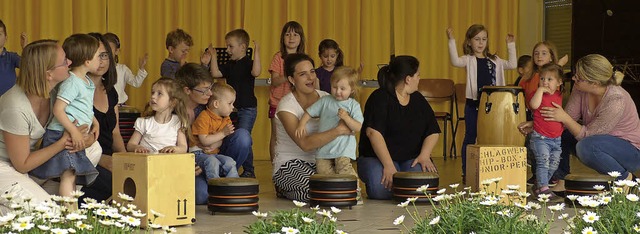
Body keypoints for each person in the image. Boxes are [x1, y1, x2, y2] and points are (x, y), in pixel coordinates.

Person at [0, 40, 95, 210]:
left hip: (31, 163)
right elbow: (22, 164)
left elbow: (82, 122)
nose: (70, 63)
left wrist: (88, 136)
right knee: (48, 213)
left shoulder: (55, 93)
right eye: (64, 61)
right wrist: (62, 143)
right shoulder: (14, 106)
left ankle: (44, 197)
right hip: (6, 167)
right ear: (48, 74)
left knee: (95, 150)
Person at [518, 54, 640, 183]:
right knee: (560, 133)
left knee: (586, 147)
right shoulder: (580, 88)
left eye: (579, 77)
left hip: (629, 152)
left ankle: (626, 179)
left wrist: (564, 118)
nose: (574, 78)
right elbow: (569, 116)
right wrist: (538, 123)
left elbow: (586, 134)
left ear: (594, 83)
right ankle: (561, 181)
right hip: (596, 140)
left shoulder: (616, 99)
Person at [29, 34, 103, 197]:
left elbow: (82, 107)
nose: (102, 60)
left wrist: (94, 121)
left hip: (71, 133)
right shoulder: (72, 82)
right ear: (87, 61)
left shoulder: (86, 81)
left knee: (68, 175)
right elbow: (58, 109)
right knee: (69, 175)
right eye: (99, 56)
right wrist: (74, 131)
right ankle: (69, 215)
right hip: (61, 134)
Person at [358, 55, 440, 200]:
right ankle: (395, 177)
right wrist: (389, 165)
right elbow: (373, 133)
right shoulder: (379, 98)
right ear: (408, 79)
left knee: (423, 187)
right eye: (418, 75)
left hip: (409, 159)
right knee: (380, 191)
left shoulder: (418, 99)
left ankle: (401, 178)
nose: (419, 79)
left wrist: (425, 155)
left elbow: (433, 130)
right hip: (377, 158)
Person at [273, 53, 351, 202]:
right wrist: (338, 130)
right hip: (289, 164)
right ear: (291, 79)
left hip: (321, 162)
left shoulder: (326, 98)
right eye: (303, 74)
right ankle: (283, 187)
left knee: (341, 188)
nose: (310, 78)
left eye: (312, 72)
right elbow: (305, 143)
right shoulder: (286, 105)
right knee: (319, 192)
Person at [174, 63, 252, 205]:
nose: (210, 94)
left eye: (210, 89)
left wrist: (216, 142)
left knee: (243, 137)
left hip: (215, 155)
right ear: (187, 90)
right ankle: (212, 182)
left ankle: (226, 181)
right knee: (201, 196)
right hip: (191, 162)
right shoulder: (173, 111)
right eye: (204, 90)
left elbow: (226, 132)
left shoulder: (210, 105)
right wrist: (186, 165)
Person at [447, 25, 516, 179]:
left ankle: (490, 170)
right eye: (477, 39)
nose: (480, 43)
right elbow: (455, 61)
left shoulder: (495, 60)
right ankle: (467, 171)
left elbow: (512, 65)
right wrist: (451, 41)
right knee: (471, 136)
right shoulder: (468, 59)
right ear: (469, 42)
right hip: (473, 104)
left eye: (484, 39)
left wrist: (510, 45)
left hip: (494, 107)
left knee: (491, 137)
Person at [205, 28, 261, 178]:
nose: (228, 50)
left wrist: (257, 52)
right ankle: (230, 165)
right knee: (232, 136)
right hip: (231, 110)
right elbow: (215, 73)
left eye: (231, 46)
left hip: (247, 108)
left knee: (245, 136)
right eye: (227, 46)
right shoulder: (230, 64)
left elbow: (256, 72)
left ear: (243, 47)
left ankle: (249, 170)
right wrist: (214, 56)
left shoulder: (249, 63)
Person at [80, 33, 125, 203]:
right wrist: (102, 160)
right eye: (95, 55)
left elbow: (115, 133)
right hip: (87, 157)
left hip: (111, 158)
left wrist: (126, 160)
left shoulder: (111, 91)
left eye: (105, 55)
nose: (101, 61)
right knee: (117, 186)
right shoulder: (76, 90)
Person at [295, 66, 362, 177]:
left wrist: (347, 118)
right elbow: (309, 112)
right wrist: (301, 124)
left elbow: (358, 127)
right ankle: (333, 191)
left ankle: (353, 190)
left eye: (343, 88)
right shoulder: (325, 100)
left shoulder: (353, 105)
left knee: (343, 168)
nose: (338, 91)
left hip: (343, 149)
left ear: (352, 90)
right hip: (324, 148)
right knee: (323, 171)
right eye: (335, 87)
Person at [269, 21, 305, 163]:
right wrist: (289, 74)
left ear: (301, 39)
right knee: (276, 135)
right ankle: (275, 165)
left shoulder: (303, 59)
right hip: (277, 102)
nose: (291, 37)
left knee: (297, 134)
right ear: (282, 38)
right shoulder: (278, 57)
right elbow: (275, 81)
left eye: (295, 34)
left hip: (297, 103)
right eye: (288, 34)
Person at [126, 78, 190, 154]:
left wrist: (174, 149)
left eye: (159, 94)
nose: (153, 96)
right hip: (148, 162)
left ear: (172, 102)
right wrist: (137, 147)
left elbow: (183, 147)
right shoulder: (144, 122)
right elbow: (130, 145)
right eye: (153, 93)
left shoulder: (178, 122)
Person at [191, 83, 240, 180]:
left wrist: (215, 144)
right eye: (229, 103)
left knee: (230, 162)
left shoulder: (226, 119)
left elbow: (224, 139)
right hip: (198, 154)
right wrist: (222, 133)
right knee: (212, 162)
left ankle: (233, 189)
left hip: (213, 153)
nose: (232, 107)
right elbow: (204, 141)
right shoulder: (204, 117)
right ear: (216, 104)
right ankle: (215, 189)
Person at [529, 63, 564, 196]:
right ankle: (544, 189)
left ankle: (539, 185)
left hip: (556, 138)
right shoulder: (538, 94)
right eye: (542, 79)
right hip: (540, 138)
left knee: (553, 165)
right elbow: (534, 105)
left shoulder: (559, 95)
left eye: (550, 79)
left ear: (559, 82)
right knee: (543, 162)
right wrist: (539, 90)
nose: (545, 82)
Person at [103, 32, 149, 104]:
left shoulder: (123, 69)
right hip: (103, 105)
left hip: (120, 105)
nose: (106, 52)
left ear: (117, 51)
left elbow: (136, 83)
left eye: (109, 49)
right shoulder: (99, 69)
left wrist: (141, 69)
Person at [0, 19, 27, 96]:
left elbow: (28, 66)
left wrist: (25, 48)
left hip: (9, 101)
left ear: (6, 38)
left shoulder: (11, 57)